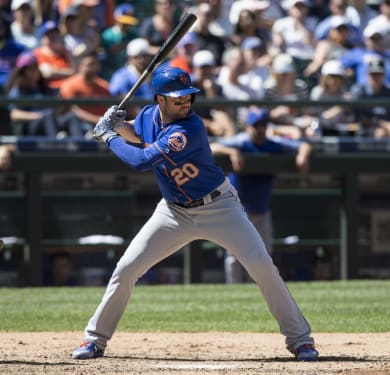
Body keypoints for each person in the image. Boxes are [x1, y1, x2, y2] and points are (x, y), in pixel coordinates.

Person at [71, 66, 319, 361]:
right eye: (178, 99)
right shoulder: (151, 115)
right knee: (126, 269)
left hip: (219, 207)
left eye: (188, 97)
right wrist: (117, 123)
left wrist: (109, 137)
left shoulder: (187, 129)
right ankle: (94, 340)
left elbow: (139, 160)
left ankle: (300, 340)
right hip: (173, 212)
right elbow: (136, 132)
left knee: (263, 267)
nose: (185, 102)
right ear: (160, 99)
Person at [210, 108, 312, 283]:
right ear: (248, 127)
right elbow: (211, 147)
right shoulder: (240, 142)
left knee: (263, 254)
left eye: (264, 125)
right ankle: (233, 292)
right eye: (256, 125)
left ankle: (258, 291)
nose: (260, 129)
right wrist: (231, 152)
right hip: (237, 210)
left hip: (261, 209)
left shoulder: (273, 143)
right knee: (235, 253)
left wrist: (302, 156)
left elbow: (304, 144)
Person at [350, 57, 390, 138]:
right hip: (366, 128)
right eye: (373, 74)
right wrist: (386, 126)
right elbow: (361, 117)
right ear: (368, 74)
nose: (376, 77)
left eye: (379, 74)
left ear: (384, 75)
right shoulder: (359, 91)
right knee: (380, 134)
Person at [58, 52, 110, 138]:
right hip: (78, 124)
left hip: (99, 125)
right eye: (89, 64)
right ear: (80, 65)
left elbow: (108, 108)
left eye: (94, 64)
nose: (92, 68)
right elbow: (74, 111)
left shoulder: (104, 85)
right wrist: (98, 120)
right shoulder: (69, 84)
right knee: (74, 119)